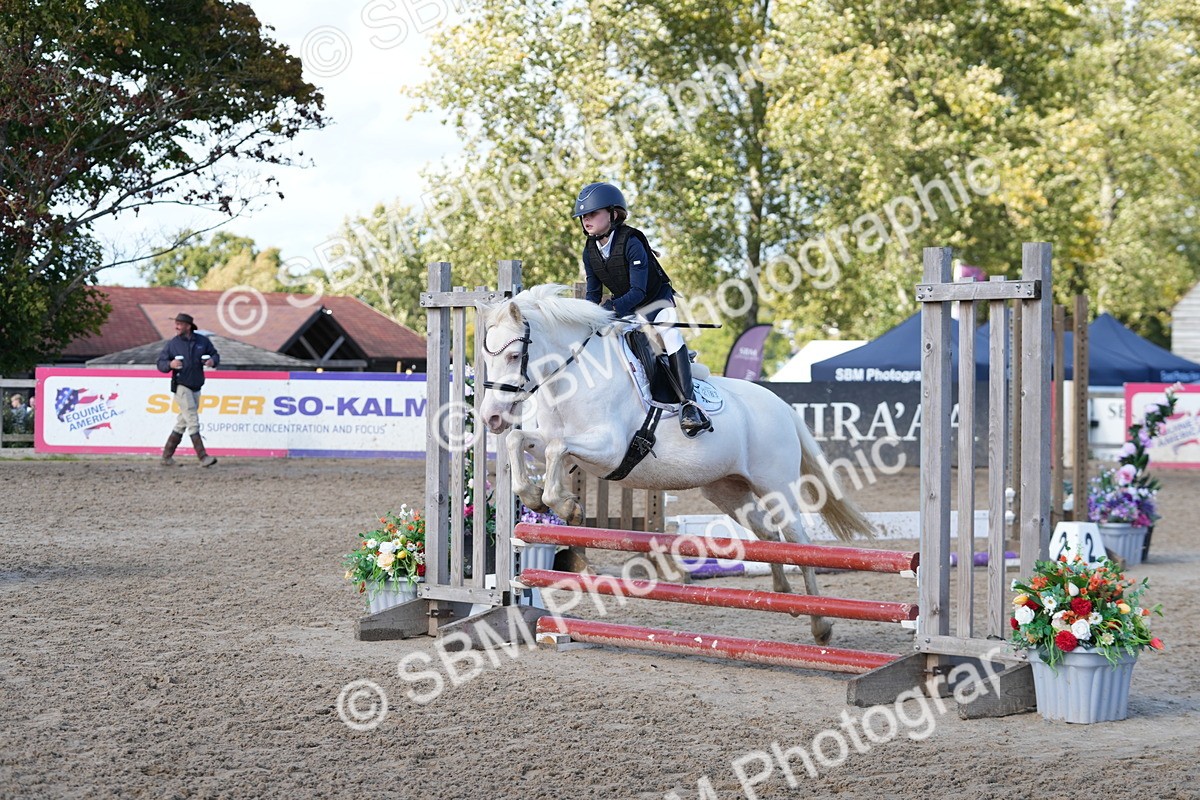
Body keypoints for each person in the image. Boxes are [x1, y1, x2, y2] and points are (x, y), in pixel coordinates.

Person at [573, 181, 712, 437]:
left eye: (592, 213)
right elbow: (593, 293)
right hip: (626, 307)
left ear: (613, 214)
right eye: (583, 216)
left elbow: (638, 292)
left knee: (670, 334)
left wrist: (609, 309)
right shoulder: (589, 250)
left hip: (655, 302)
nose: (586, 220)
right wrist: (587, 319)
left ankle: (690, 406)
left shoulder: (632, 241)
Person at [156, 313, 220, 466]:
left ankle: (166, 457)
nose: (176, 327)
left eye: (179, 324)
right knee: (192, 420)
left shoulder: (203, 341)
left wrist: (212, 361)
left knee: (182, 422)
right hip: (181, 385)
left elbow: (215, 355)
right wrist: (170, 364)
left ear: (188, 326)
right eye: (176, 323)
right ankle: (203, 457)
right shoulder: (173, 344)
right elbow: (160, 363)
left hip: (196, 386)